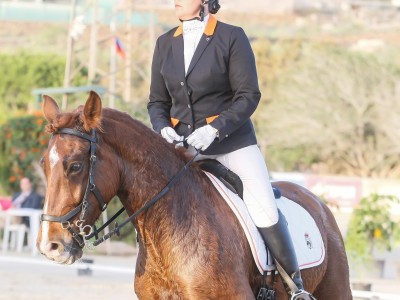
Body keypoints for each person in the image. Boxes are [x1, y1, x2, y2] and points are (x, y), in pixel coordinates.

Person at [147, 1, 314, 299]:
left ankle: (295, 286)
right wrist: (163, 129)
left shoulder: (231, 37)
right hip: (184, 149)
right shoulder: (164, 43)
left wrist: (214, 129)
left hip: (231, 144)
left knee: (262, 205)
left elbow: (248, 95)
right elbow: (157, 102)